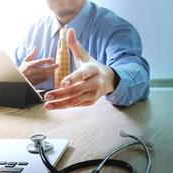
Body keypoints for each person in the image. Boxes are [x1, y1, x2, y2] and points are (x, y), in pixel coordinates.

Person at [14, 0, 149, 110]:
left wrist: (110, 78)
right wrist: (19, 80)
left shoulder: (116, 28)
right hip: (42, 130)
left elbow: (137, 73)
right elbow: (10, 75)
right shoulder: (32, 32)